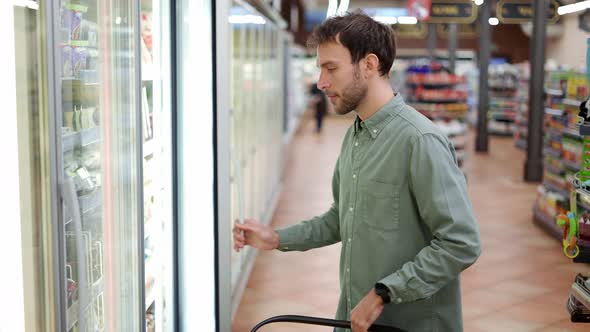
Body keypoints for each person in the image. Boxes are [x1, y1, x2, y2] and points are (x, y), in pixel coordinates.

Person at [233, 11, 481, 332]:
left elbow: (461, 242)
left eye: (331, 68)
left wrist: (384, 293)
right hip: (356, 319)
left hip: (407, 323)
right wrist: (277, 237)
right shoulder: (356, 134)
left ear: (369, 65)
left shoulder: (420, 141)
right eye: (320, 69)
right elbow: (341, 218)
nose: (321, 82)